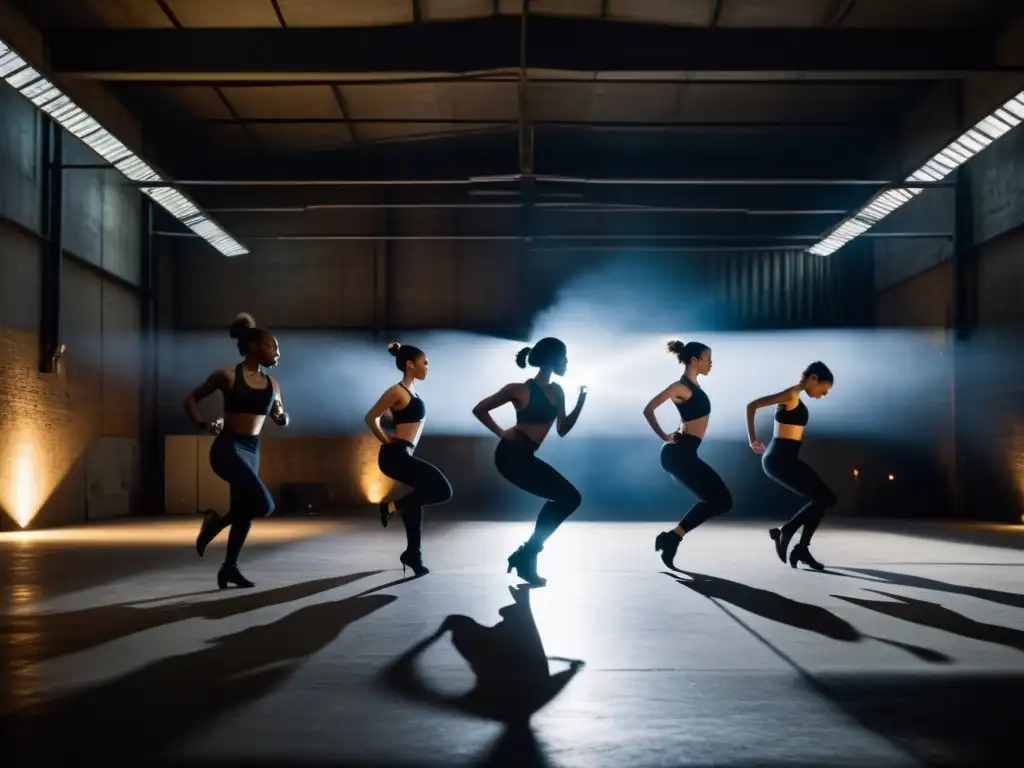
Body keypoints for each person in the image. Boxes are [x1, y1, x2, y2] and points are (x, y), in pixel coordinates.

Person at [185, 313, 289, 588]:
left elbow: (281, 416)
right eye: (273, 346)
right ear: (255, 346)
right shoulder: (227, 376)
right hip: (227, 448)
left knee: (245, 508)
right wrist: (202, 423)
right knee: (264, 504)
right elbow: (191, 398)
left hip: (252, 450)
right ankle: (214, 526)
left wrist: (282, 418)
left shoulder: (273, 385)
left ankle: (229, 567)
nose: (278, 352)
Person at [472, 338, 586, 586]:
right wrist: (502, 433)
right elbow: (480, 409)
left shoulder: (557, 391)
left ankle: (527, 555)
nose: (566, 362)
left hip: (526, 455)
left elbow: (563, 429)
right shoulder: (519, 389)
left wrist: (580, 403)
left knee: (568, 497)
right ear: (552, 358)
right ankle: (527, 555)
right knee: (568, 497)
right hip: (510, 455)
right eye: (564, 357)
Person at [364, 342, 452, 576]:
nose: (427, 368)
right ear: (410, 365)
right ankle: (390, 506)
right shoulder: (397, 391)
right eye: (425, 363)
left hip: (403, 453)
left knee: (418, 500)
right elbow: (370, 418)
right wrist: (386, 441)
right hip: (395, 455)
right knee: (443, 490)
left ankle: (413, 553)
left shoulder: (412, 392)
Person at [643, 340, 732, 568]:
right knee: (719, 500)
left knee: (719, 500)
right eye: (708, 359)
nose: (711, 364)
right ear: (694, 360)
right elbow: (649, 408)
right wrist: (664, 436)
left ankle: (671, 538)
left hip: (684, 453)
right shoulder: (680, 387)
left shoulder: (695, 387)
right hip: (678, 454)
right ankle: (671, 538)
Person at [745, 361, 836, 571]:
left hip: (785, 459)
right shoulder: (791, 395)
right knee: (825, 498)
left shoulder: (795, 397)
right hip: (779, 460)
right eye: (824, 388)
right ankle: (787, 532)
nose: (824, 394)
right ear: (813, 378)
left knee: (824, 499)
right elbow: (751, 406)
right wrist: (752, 439)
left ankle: (801, 547)